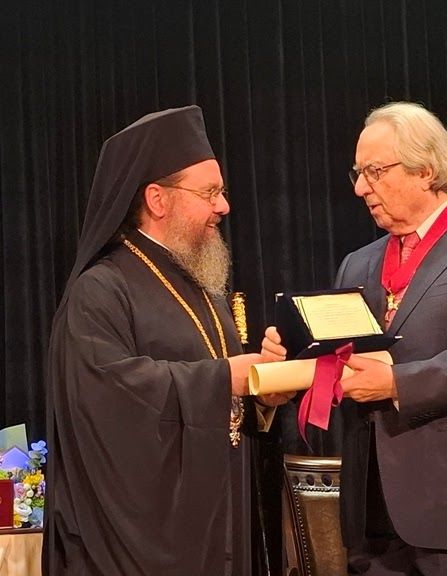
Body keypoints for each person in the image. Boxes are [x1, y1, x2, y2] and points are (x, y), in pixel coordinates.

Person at [262, 101, 447, 575]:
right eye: (358, 173)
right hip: (370, 512)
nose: (360, 188)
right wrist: (289, 359)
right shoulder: (358, 263)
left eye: (374, 171)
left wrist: (397, 384)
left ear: (426, 170)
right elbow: (338, 362)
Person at [44, 105, 291, 575]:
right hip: (144, 541)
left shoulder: (202, 284)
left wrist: (262, 395)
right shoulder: (102, 289)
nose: (224, 206)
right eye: (209, 192)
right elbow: (105, 397)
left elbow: (228, 398)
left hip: (219, 518)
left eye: (222, 191)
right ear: (157, 199)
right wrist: (224, 379)